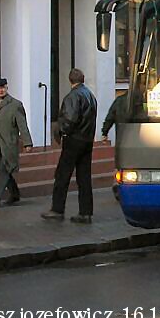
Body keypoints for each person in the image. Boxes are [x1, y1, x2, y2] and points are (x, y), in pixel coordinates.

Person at [42, 68, 98, 224]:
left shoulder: (72, 96)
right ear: (83, 79)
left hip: (74, 140)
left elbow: (70, 119)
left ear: (70, 80)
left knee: (62, 175)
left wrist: (62, 131)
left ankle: (57, 209)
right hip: (87, 139)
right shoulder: (90, 95)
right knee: (84, 177)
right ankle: (85, 212)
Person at [0, 77, 33, 208]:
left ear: (7, 88)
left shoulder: (15, 104)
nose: (1, 90)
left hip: (9, 143)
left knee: (3, 169)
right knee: (4, 169)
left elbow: (22, 125)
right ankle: (15, 194)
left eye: (3, 87)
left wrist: (27, 142)